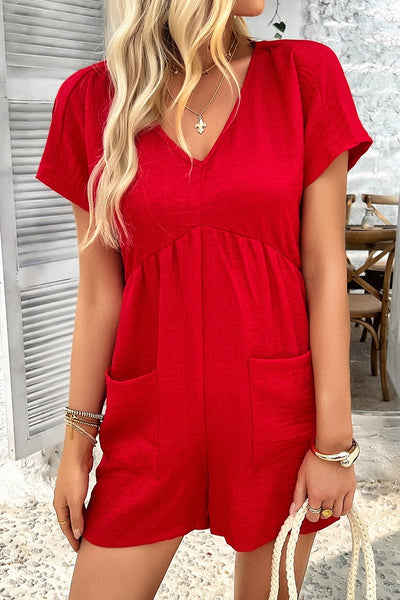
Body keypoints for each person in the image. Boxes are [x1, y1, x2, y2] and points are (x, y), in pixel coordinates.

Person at [35, 0, 373, 598]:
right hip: (150, 423)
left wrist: (334, 446)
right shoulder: (91, 101)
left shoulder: (304, 78)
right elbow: (99, 295)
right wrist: (76, 448)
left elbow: (325, 273)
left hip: (275, 418)